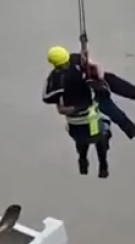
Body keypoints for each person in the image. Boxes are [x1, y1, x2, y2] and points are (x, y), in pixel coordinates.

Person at [43, 46, 135, 159]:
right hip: (93, 99)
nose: (67, 64)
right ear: (56, 65)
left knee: (133, 91)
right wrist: (67, 106)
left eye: (67, 61)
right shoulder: (55, 79)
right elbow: (49, 98)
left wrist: (97, 73)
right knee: (119, 117)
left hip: (102, 82)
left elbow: (93, 64)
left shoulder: (74, 58)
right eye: (63, 65)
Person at [42, 48, 112, 176]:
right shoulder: (67, 71)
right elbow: (47, 98)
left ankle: (91, 164)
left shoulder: (54, 80)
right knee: (100, 137)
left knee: (87, 139)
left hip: (81, 118)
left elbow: (47, 97)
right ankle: (98, 165)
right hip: (83, 117)